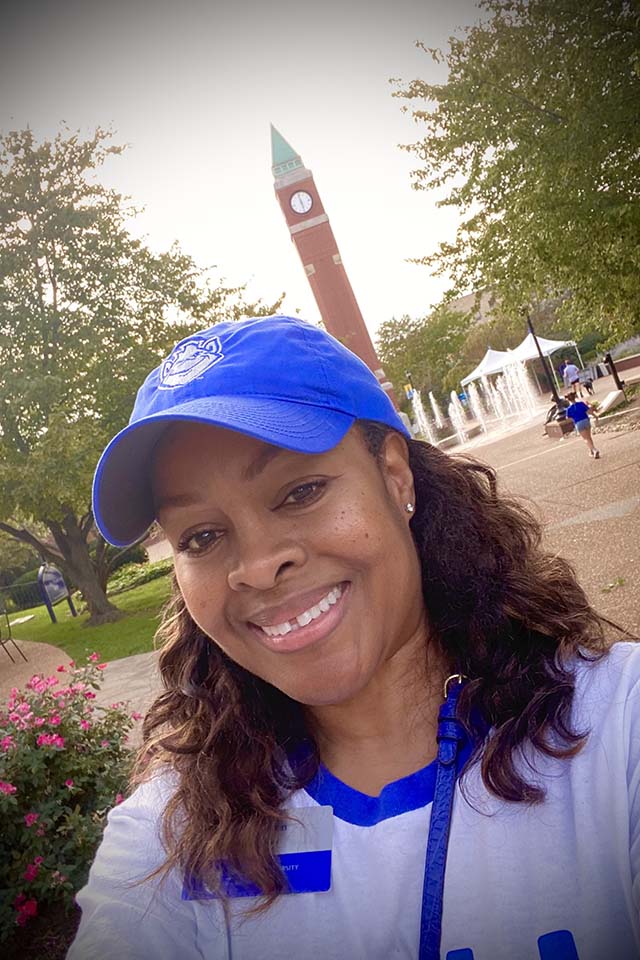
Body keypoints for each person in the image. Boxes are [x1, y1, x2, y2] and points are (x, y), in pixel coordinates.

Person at [69, 315, 639, 960]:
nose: (257, 565)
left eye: (300, 491)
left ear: (395, 477)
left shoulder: (617, 726)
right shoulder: (165, 839)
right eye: (200, 536)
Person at [565, 391, 601, 458]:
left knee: (586, 439)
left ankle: (594, 450)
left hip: (578, 423)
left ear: (568, 400)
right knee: (589, 437)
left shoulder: (569, 409)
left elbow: (568, 418)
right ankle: (591, 451)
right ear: (575, 397)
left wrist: (574, 420)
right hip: (586, 420)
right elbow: (589, 411)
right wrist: (595, 416)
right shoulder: (581, 404)